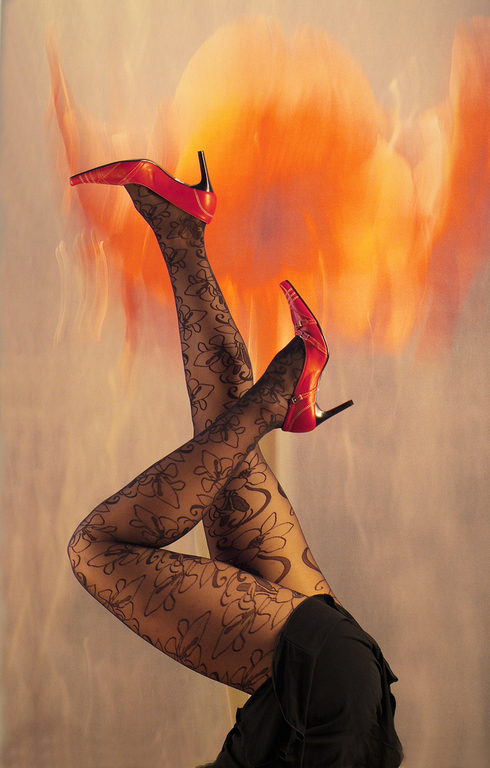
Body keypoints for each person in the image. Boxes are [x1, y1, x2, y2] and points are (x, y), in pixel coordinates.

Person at [67, 153, 403, 767]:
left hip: (328, 679)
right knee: (98, 551)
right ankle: (281, 394)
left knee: (224, 450)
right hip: (327, 696)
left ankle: (182, 230)